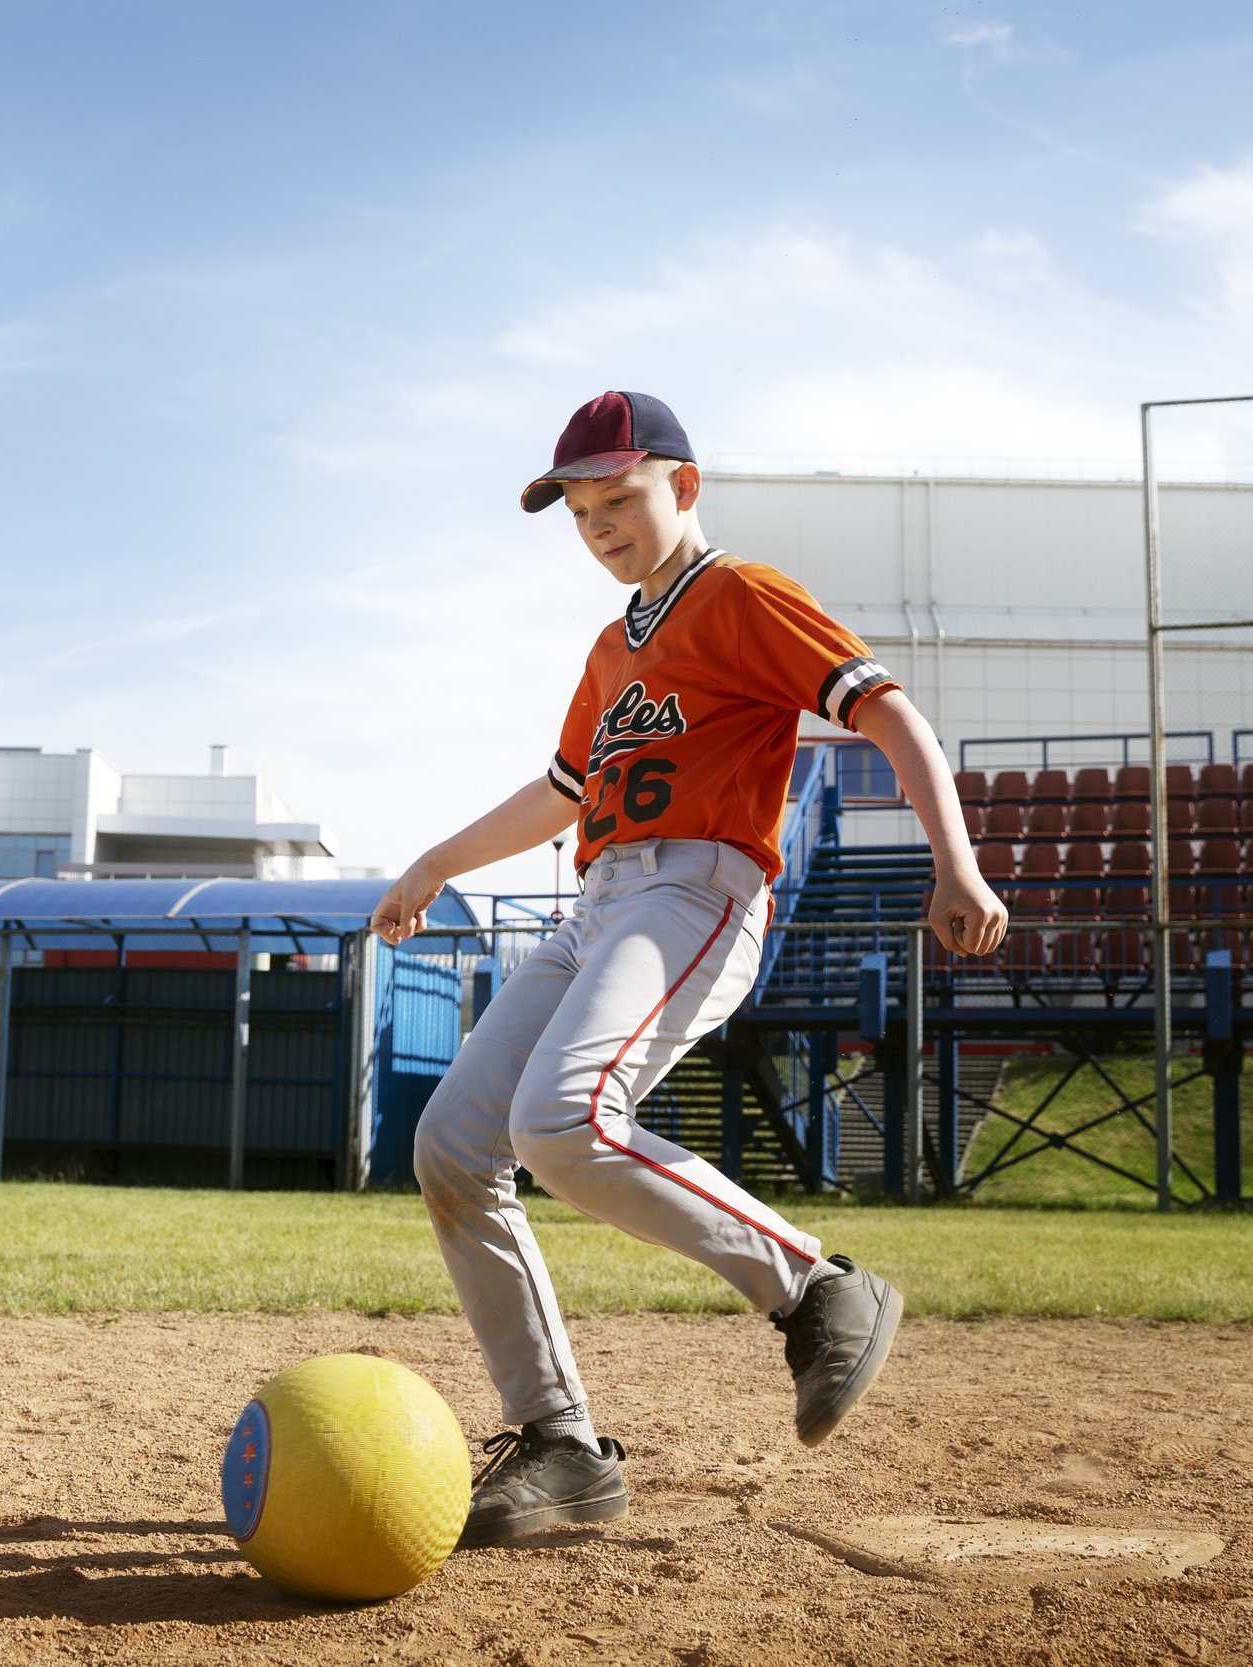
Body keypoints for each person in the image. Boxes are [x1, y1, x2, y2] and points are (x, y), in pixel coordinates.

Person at [369, 390, 1007, 1548]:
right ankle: (559, 1444)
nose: (601, 521)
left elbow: (890, 713)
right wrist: (431, 860)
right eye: (579, 507)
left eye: (620, 496)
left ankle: (814, 1285)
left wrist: (952, 863)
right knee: (454, 1142)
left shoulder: (743, 595)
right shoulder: (610, 647)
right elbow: (560, 792)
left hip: (695, 890)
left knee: (562, 1120)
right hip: (598, 900)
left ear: (684, 485)